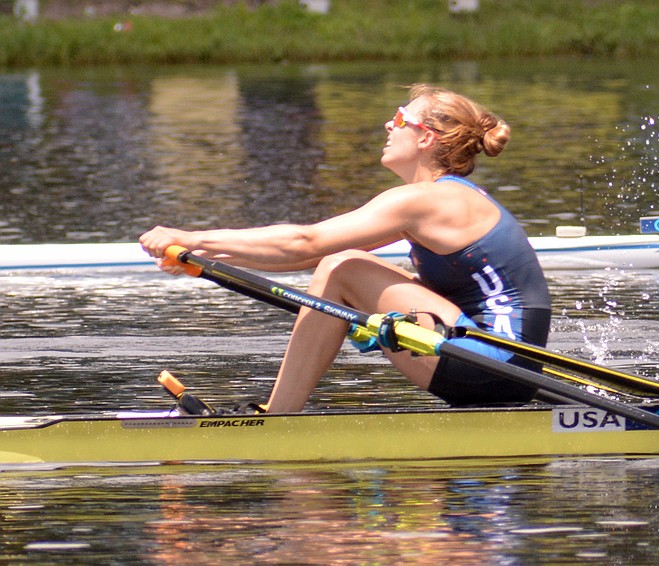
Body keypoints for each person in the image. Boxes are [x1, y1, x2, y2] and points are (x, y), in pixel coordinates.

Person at [140, 84, 551, 412]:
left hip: (493, 362)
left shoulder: (429, 200)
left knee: (345, 267)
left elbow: (306, 241)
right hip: (498, 363)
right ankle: (278, 413)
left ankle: (278, 415)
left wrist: (194, 238)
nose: (388, 125)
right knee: (339, 266)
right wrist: (204, 258)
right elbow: (306, 257)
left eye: (399, 119)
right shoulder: (438, 200)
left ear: (426, 137)